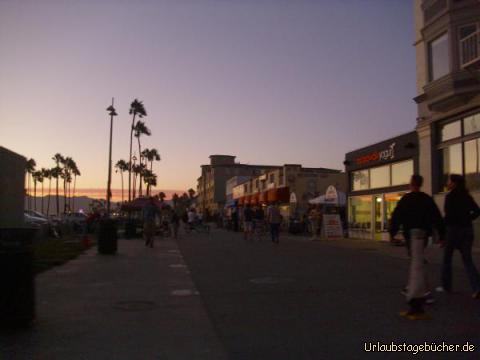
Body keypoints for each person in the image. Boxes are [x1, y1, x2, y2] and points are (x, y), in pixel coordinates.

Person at [390, 174, 444, 320]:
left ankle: (418, 298)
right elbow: (437, 217)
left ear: (411, 183)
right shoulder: (426, 199)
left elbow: (396, 216)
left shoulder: (406, 199)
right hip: (423, 234)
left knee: (416, 264)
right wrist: (441, 234)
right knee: (417, 262)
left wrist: (392, 232)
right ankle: (417, 294)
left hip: (411, 235)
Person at [439, 174, 480, 298]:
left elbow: (448, 217)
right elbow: (477, 211)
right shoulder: (467, 196)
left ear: (454, 183)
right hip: (467, 230)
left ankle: (446, 286)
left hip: (453, 231)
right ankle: (477, 287)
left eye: (449, 181)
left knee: (447, 259)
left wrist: (442, 234)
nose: (447, 183)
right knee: (467, 260)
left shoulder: (450, 197)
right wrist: (468, 218)